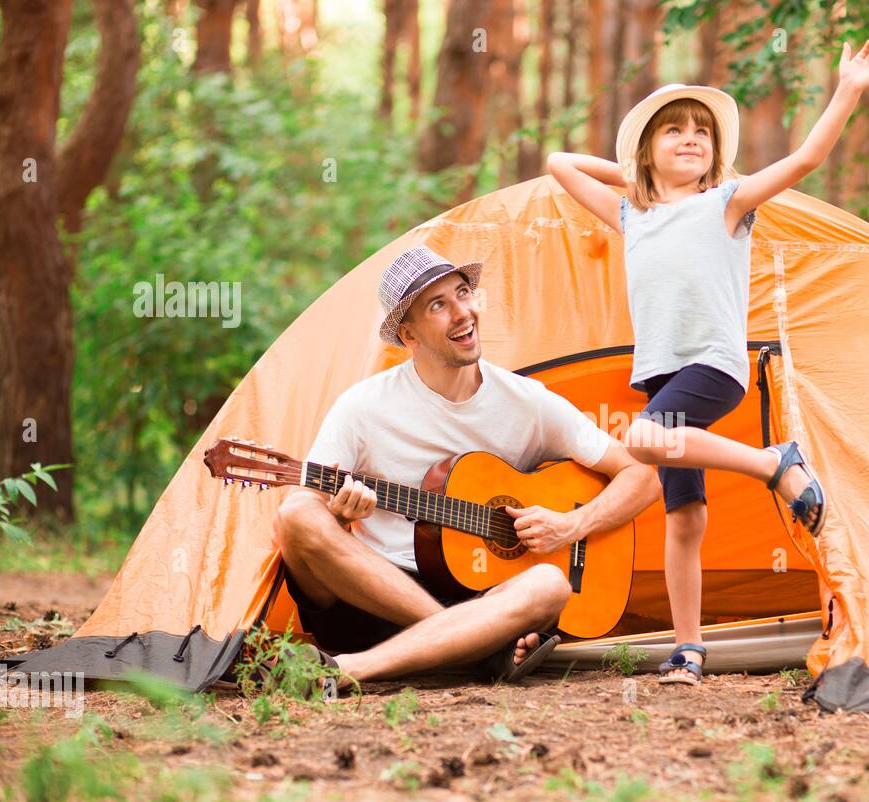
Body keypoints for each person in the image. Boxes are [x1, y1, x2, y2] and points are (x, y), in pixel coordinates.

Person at [546, 40, 869, 685]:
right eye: (673, 131)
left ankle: (774, 463)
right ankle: (689, 649)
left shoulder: (725, 204)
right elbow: (561, 163)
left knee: (644, 440)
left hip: (713, 363)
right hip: (659, 372)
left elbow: (808, 156)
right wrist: (637, 172)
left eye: (701, 132)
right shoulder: (632, 214)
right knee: (684, 517)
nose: (690, 138)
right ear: (646, 152)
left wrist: (848, 88)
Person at [272, 245, 660, 690]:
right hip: (375, 599)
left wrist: (570, 525)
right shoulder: (362, 406)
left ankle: (348, 670)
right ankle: (468, 644)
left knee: (551, 585)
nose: (463, 313)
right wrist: (338, 517)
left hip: (484, 598)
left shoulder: (525, 402)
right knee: (295, 515)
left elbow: (641, 476)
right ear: (409, 334)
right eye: (438, 305)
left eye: (463, 294)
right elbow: (304, 506)